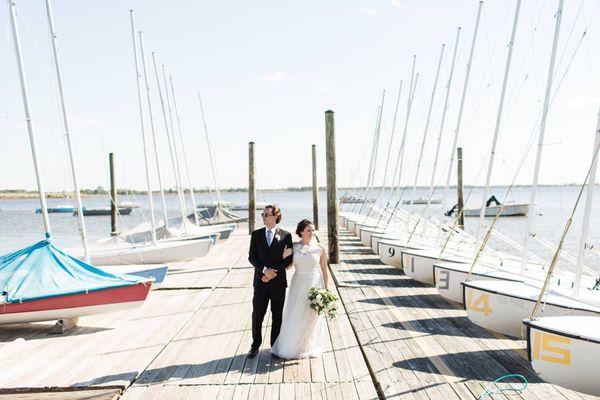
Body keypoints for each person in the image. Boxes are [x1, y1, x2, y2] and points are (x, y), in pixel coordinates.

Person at [270, 219, 329, 359]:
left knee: (311, 315)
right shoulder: (294, 247)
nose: (312, 233)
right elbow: (288, 267)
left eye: (313, 230)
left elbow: (325, 271)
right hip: (299, 283)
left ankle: (308, 345)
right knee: (296, 313)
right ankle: (293, 345)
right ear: (301, 231)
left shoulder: (320, 248)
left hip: (315, 283)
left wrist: (326, 290)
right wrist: (284, 257)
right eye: (309, 230)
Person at [247, 205, 293, 359]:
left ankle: (275, 346)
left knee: (277, 316)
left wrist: (271, 274)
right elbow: (251, 257)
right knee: (257, 315)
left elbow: (288, 260)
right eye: (263, 214)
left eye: (267, 214)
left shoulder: (286, 236)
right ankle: (255, 346)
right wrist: (264, 271)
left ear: (275, 216)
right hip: (260, 282)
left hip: (278, 284)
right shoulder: (256, 234)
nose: (264, 217)